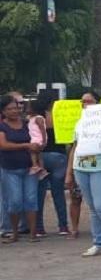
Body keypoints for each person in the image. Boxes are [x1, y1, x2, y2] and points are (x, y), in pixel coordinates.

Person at [65, 90, 101, 258]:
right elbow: (74, 147)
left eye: (89, 101)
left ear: (98, 104)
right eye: (83, 101)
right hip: (81, 167)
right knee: (92, 207)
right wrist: (69, 172)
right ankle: (98, 243)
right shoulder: (79, 123)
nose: (85, 104)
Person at [0, 93, 41, 243]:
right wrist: (25, 145)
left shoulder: (27, 124)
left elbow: (38, 139)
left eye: (16, 108)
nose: (14, 111)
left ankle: (32, 233)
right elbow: (3, 145)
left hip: (30, 168)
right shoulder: (2, 126)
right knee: (15, 201)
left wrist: (36, 146)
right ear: (3, 111)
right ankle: (14, 232)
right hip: (10, 169)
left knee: (31, 199)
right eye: (10, 109)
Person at [35, 96, 69, 236]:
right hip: (59, 156)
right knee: (58, 193)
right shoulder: (60, 116)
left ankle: (38, 227)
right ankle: (63, 226)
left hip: (41, 156)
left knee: (39, 194)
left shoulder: (34, 119)